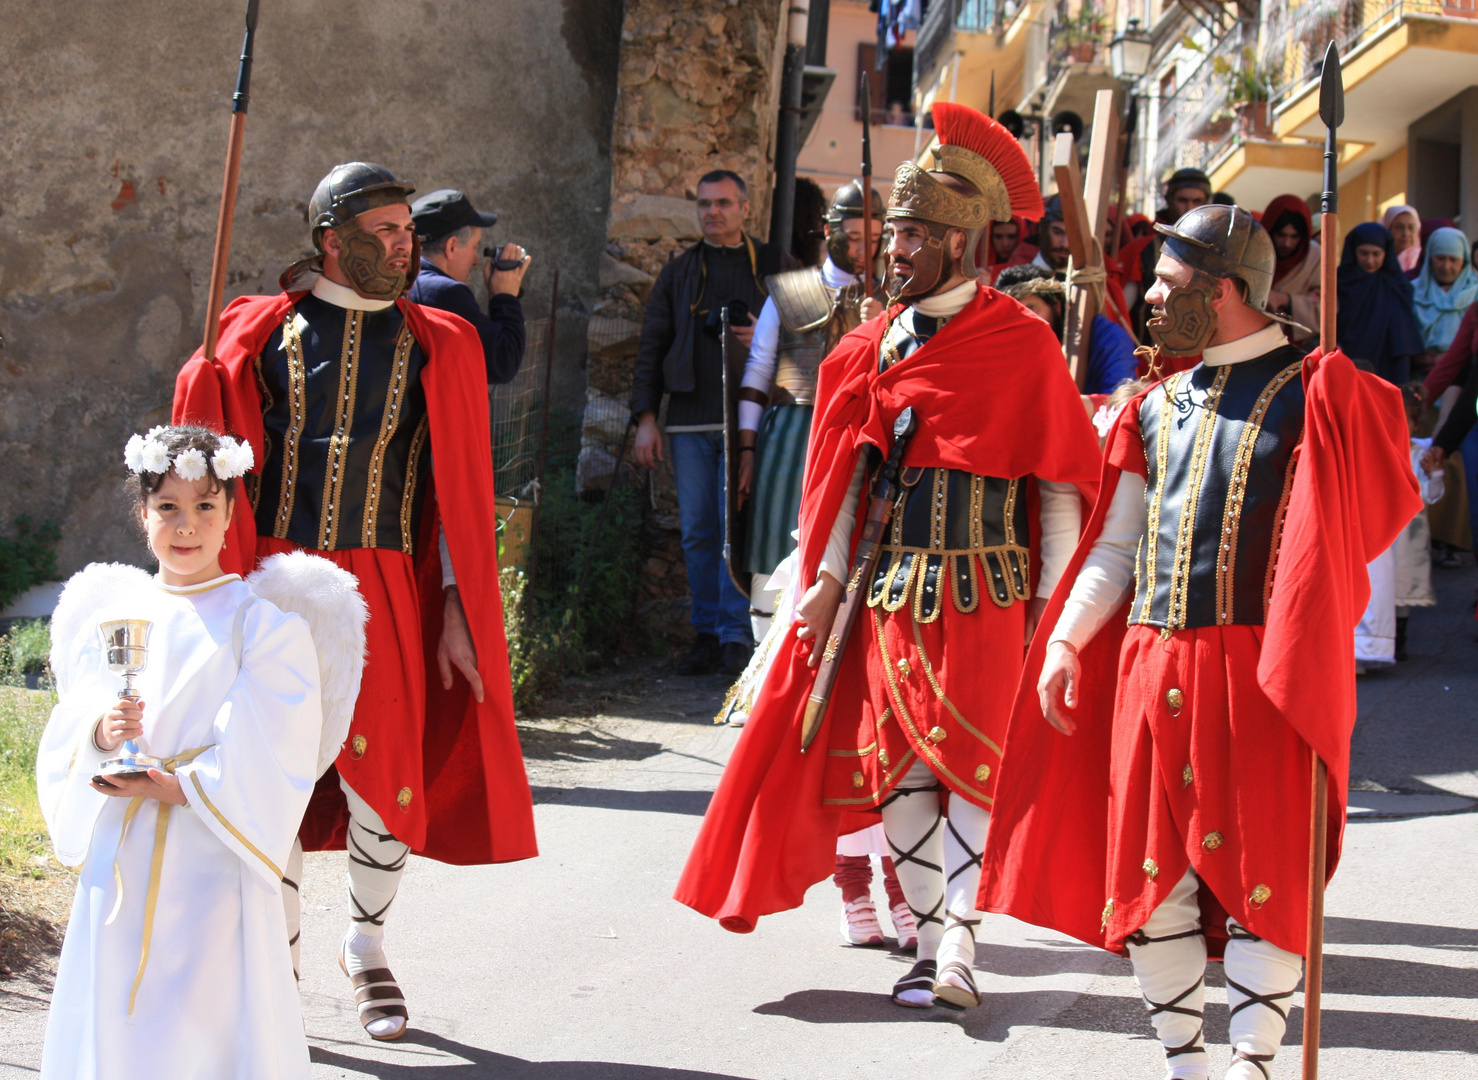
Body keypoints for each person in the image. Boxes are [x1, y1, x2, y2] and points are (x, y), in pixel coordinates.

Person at [675, 102, 1102, 1011]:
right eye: (891, 235)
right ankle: (931, 939)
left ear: (958, 243)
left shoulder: (1021, 342)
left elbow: (1060, 484)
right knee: (901, 777)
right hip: (891, 592)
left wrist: (1059, 610)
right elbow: (838, 485)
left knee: (973, 771)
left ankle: (961, 946)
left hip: (990, 590)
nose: (892, 252)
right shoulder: (868, 346)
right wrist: (823, 585)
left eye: (910, 236)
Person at [981, 203, 1420, 1080]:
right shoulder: (1151, 403)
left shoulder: (1313, 390)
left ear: (1224, 291)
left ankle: (1252, 1065)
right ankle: (1186, 1066)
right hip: (1149, 661)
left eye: (1169, 283)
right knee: (1153, 887)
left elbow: (1374, 496)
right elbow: (1116, 546)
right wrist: (1067, 641)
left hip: (1263, 672)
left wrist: (1345, 396)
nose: (1148, 297)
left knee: (1265, 879)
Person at [173, 162, 538, 1042]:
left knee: (386, 782)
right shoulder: (257, 334)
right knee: (277, 777)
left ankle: (366, 946)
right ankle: (280, 968)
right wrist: (203, 381)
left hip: (384, 588)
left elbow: (459, 487)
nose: (403, 245)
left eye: (408, 230)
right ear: (330, 240)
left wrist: (456, 605)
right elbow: (212, 447)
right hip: (270, 580)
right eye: (384, 231)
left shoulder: (443, 342)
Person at [36, 426, 342, 1079]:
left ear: (231, 512)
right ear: (141, 514)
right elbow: (69, 726)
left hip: (210, 859)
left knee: (204, 1021)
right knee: (118, 1011)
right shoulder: (114, 620)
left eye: (205, 505)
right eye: (167, 507)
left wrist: (174, 786)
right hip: (123, 856)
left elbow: (276, 742)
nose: (186, 524)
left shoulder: (258, 624)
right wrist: (101, 733)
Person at [630, 170, 793, 676]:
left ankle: (735, 636)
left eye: (723, 203)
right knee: (699, 531)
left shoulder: (774, 266)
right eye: (704, 204)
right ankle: (706, 634)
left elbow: (809, 341)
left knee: (737, 530)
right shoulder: (680, 271)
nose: (712, 212)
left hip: (752, 424)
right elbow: (651, 344)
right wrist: (647, 418)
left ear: (745, 208)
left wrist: (765, 340)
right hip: (688, 424)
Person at [736, 179, 884, 641]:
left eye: (874, 239)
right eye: (854, 236)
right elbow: (759, 371)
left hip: (860, 433)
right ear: (828, 230)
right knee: (773, 538)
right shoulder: (789, 292)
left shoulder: (893, 299)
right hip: (792, 432)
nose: (863, 249)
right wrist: (746, 449)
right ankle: (757, 679)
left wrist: (882, 322)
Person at [408, 188, 530, 385]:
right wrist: (505, 297)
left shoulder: (406, 280)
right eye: (474, 247)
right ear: (452, 246)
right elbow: (503, 363)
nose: (475, 260)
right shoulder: (444, 293)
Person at [998, 263, 1139, 396]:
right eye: (1013, 314)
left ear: (1056, 306)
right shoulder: (1005, 344)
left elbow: (1119, 402)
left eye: (1031, 308)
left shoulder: (1109, 338)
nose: (1023, 321)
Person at [1118, 168, 1213, 335]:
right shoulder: (1143, 250)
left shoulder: (1218, 251)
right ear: (1169, 200)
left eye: (1197, 201)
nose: (1189, 207)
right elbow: (1121, 312)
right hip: (1151, 352)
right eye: (1182, 200)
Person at [1336, 221, 1424, 385]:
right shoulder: (1339, 282)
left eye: (1376, 254)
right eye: (1363, 253)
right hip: (1346, 363)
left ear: (1387, 253)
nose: (1370, 260)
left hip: (1387, 369)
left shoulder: (1397, 286)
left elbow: (1402, 336)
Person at [1411, 225, 1478, 371]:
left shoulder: (1475, 293)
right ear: (1429, 258)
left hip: (1465, 377)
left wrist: (1448, 358)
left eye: (1453, 260)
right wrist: (1415, 357)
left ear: (1464, 261)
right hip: (1421, 377)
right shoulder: (1413, 291)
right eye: (1440, 258)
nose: (1446, 266)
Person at [1261, 193, 1321, 345]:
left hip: (1293, 348)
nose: (1287, 244)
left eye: (1294, 237)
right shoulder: (1254, 252)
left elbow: (1325, 310)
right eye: (1281, 235)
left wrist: (1286, 299)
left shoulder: (1315, 257)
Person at [1381, 204, 1421, 275]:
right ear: (1388, 230)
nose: (1405, 233)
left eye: (1411, 227)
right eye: (1399, 227)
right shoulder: (1376, 261)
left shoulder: (1423, 264)